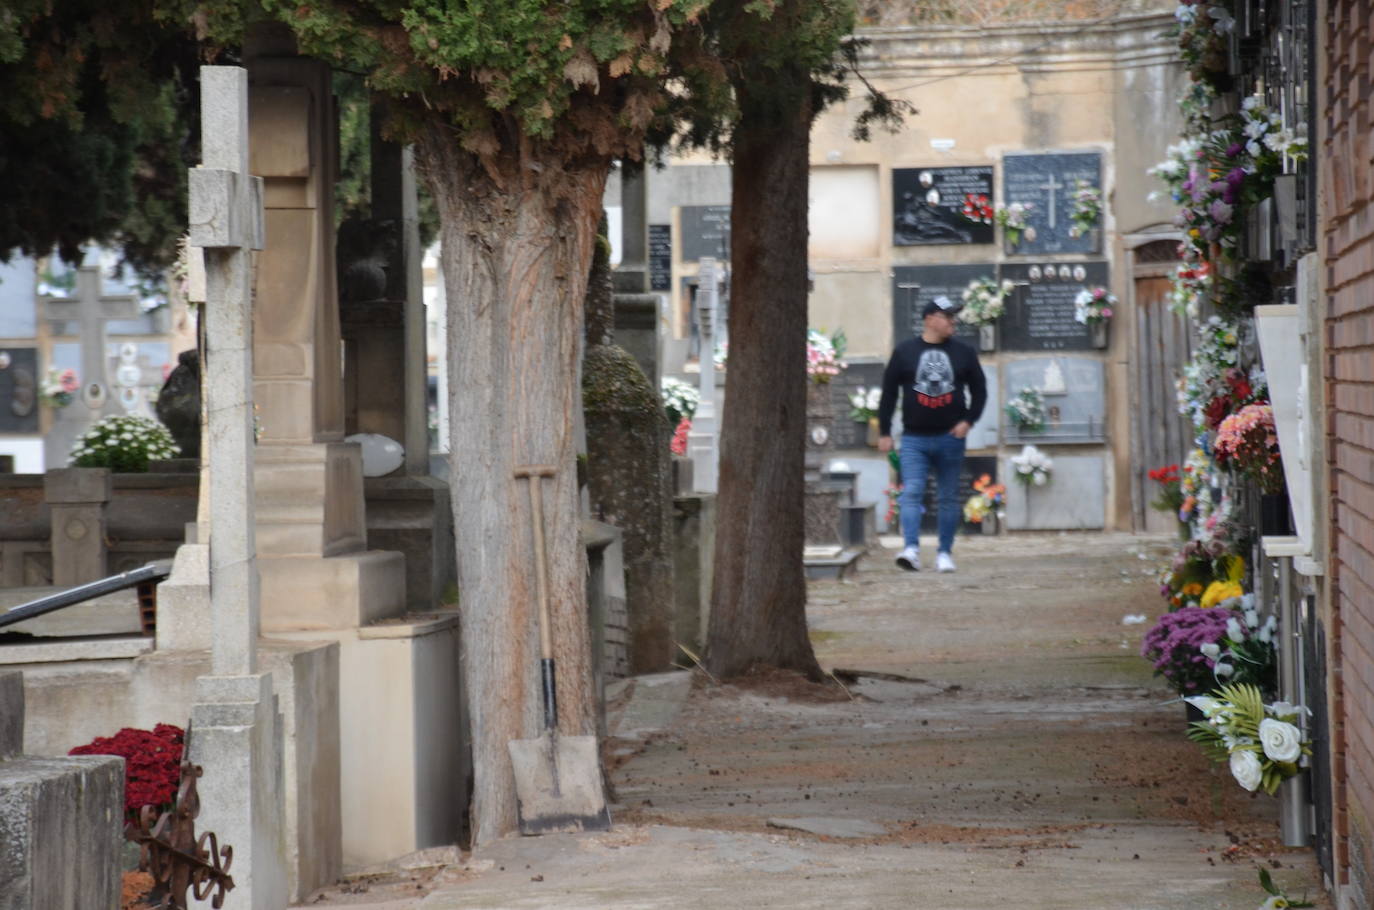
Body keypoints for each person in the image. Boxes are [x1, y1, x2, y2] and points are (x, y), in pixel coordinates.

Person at [877, 296, 987, 573]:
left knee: (948, 496)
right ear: (929, 319)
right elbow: (889, 394)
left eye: (954, 316)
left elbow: (980, 391)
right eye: (947, 316)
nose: (953, 321)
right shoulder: (904, 352)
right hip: (914, 438)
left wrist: (968, 422)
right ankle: (911, 549)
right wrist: (885, 431)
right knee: (911, 492)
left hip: (950, 438)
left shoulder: (964, 352)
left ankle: (944, 553)